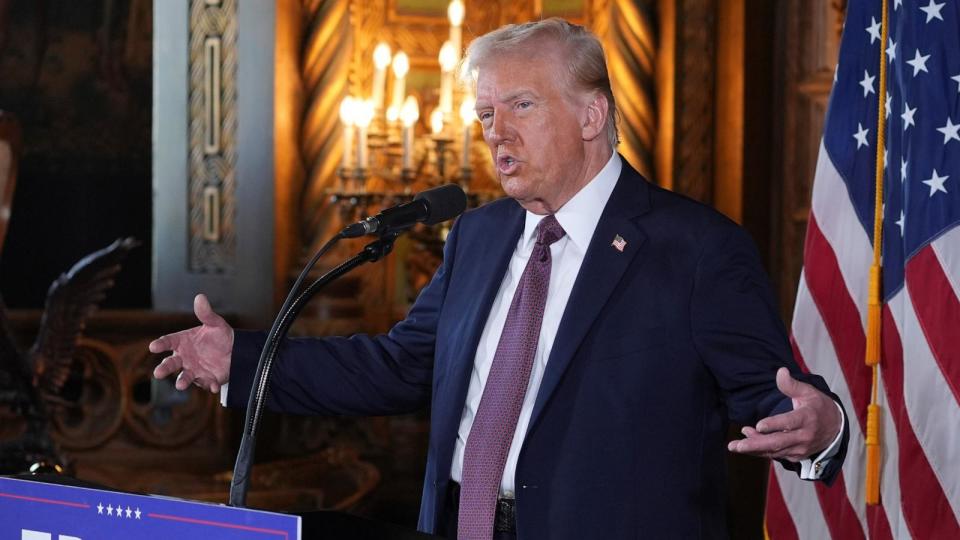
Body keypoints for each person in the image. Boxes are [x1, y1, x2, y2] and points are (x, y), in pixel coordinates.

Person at [152, 18, 847, 540]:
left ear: (591, 114)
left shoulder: (696, 247)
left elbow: (772, 395)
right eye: (485, 114)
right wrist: (242, 362)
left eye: (520, 106)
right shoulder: (479, 236)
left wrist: (820, 426)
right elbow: (400, 366)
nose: (494, 131)